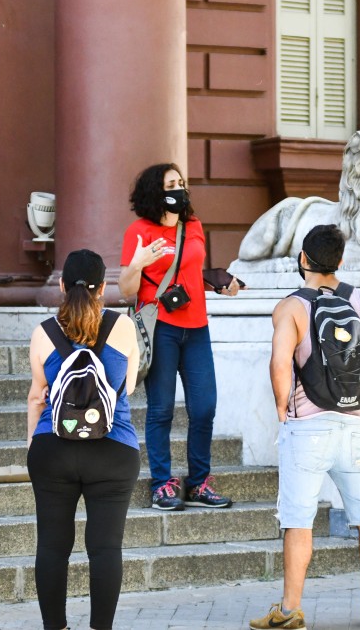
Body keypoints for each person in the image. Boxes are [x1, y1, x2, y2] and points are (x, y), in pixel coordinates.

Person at [250, 224, 360, 630]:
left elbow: (280, 362)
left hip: (308, 425)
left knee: (298, 519)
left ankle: (290, 611)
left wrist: (283, 407)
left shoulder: (290, 307)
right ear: (340, 260)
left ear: (303, 259)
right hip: (357, 426)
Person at [27, 249, 142, 630]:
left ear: (61, 286)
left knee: (52, 547)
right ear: (103, 288)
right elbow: (128, 386)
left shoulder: (44, 333)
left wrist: (34, 445)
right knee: (106, 547)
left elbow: (37, 397)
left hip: (53, 448)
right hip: (114, 448)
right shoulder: (123, 326)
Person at [118, 163, 240, 510]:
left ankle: (199, 483)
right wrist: (137, 263)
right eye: (171, 184)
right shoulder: (139, 231)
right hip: (161, 329)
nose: (178, 188)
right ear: (155, 192)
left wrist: (218, 283)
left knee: (204, 408)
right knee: (161, 410)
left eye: (181, 183)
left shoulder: (193, 226)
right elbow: (127, 289)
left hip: (197, 328)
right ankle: (162, 484)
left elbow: (189, 274)